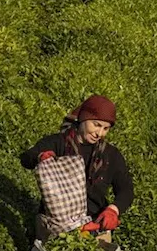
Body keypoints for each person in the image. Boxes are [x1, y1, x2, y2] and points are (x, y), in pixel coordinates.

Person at [20, 94, 134, 240]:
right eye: (96, 125)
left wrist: (113, 210)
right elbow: (26, 159)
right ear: (83, 119)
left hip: (94, 224)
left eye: (106, 128)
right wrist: (40, 156)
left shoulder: (110, 155)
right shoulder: (58, 143)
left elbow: (126, 189)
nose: (99, 133)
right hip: (57, 223)